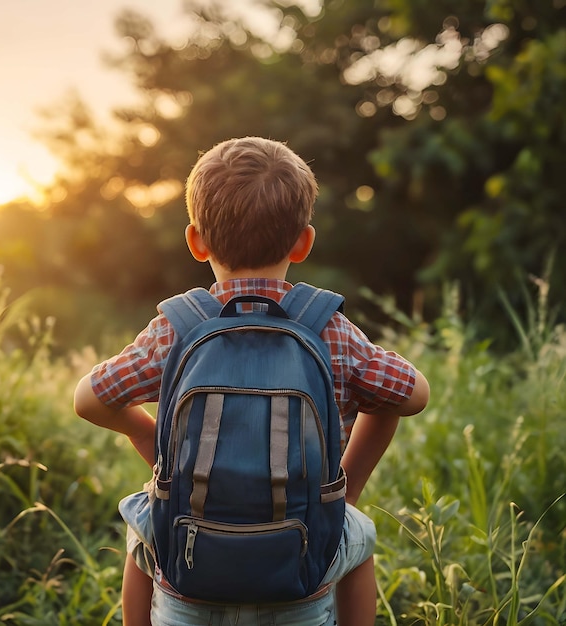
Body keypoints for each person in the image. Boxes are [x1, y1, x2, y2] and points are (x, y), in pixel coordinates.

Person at [74, 136, 430, 626]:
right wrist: (348, 487)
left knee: (142, 522)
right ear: (304, 242)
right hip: (303, 575)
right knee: (359, 535)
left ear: (196, 240)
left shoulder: (178, 327)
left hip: (188, 577)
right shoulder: (327, 328)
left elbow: (88, 399)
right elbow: (410, 395)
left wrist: (147, 436)